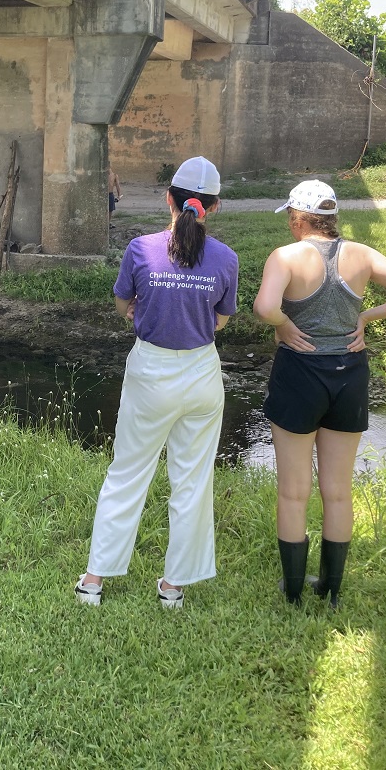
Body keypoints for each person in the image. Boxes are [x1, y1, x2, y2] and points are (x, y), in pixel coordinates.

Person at [253, 180, 386, 607]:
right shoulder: (363, 255)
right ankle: (331, 592)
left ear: (297, 218)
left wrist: (282, 323)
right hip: (349, 375)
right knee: (338, 490)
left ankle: (293, 592)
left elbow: (263, 308)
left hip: (299, 374)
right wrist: (364, 316)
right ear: (332, 218)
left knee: (293, 491)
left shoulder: (286, 257)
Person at [76, 156, 239, 609]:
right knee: (191, 479)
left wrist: (143, 312)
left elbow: (122, 303)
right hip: (202, 374)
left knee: (127, 472)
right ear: (215, 207)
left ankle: (94, 580)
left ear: (168, 198)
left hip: (151, 372)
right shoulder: (227, 258)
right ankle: (173, 587)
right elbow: (221, 321)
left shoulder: (140, 248)